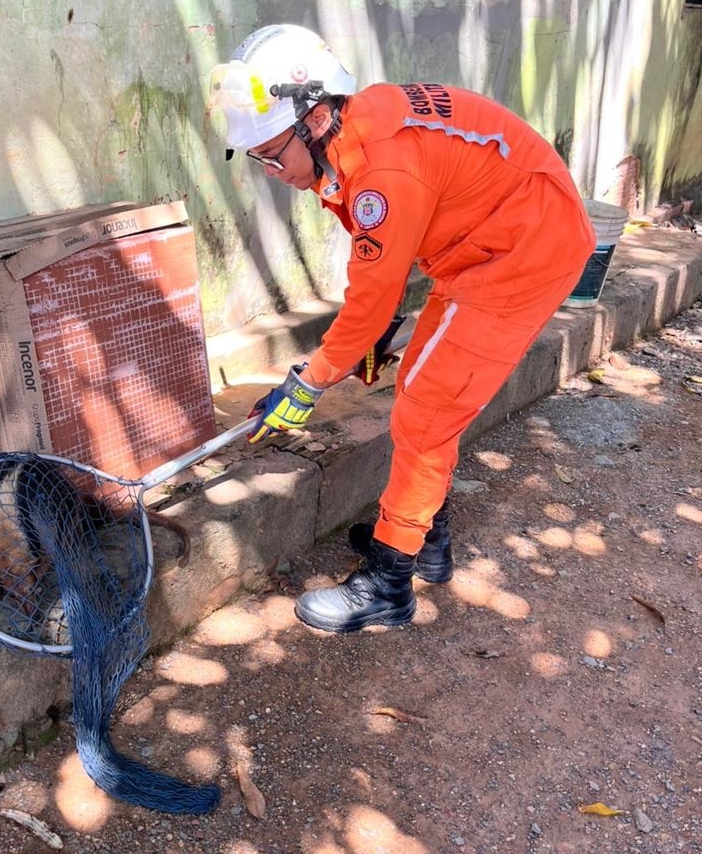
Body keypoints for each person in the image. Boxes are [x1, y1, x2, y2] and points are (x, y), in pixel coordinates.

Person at [209, 24, 595, 633]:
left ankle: (388, 585)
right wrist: (382, 319)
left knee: (426, 407)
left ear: (312, 119)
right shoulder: (352, 137)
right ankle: (425, 542)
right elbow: (377, 263)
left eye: (270, 153)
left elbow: (368, 294)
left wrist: (307, 384)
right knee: (421, 383)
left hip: (523, 251)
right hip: (482, 246)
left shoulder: (385, 169)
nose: (270, 170)